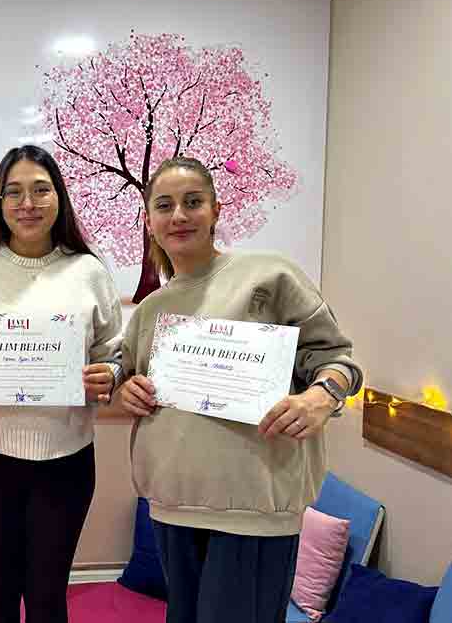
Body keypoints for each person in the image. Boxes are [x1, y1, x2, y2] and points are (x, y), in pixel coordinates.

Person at [114, 156, 363, 623]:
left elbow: (338, 361)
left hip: (253, 510)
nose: (179, 215)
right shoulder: (152, 309)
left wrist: (320, 397)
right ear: (149, 222)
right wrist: (126, 390)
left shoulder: (269, 276)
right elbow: (125, 376)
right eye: (164, 206)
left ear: (216, 210)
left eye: (193, 202)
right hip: (172, 505)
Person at [0, 145, 122, 623]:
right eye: (13, 192)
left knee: (48, 600)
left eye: (40, 190)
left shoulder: (89, 271)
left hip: (66, 460)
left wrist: (110, 375)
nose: (27, 203)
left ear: (59, 198)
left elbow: (113, 355)